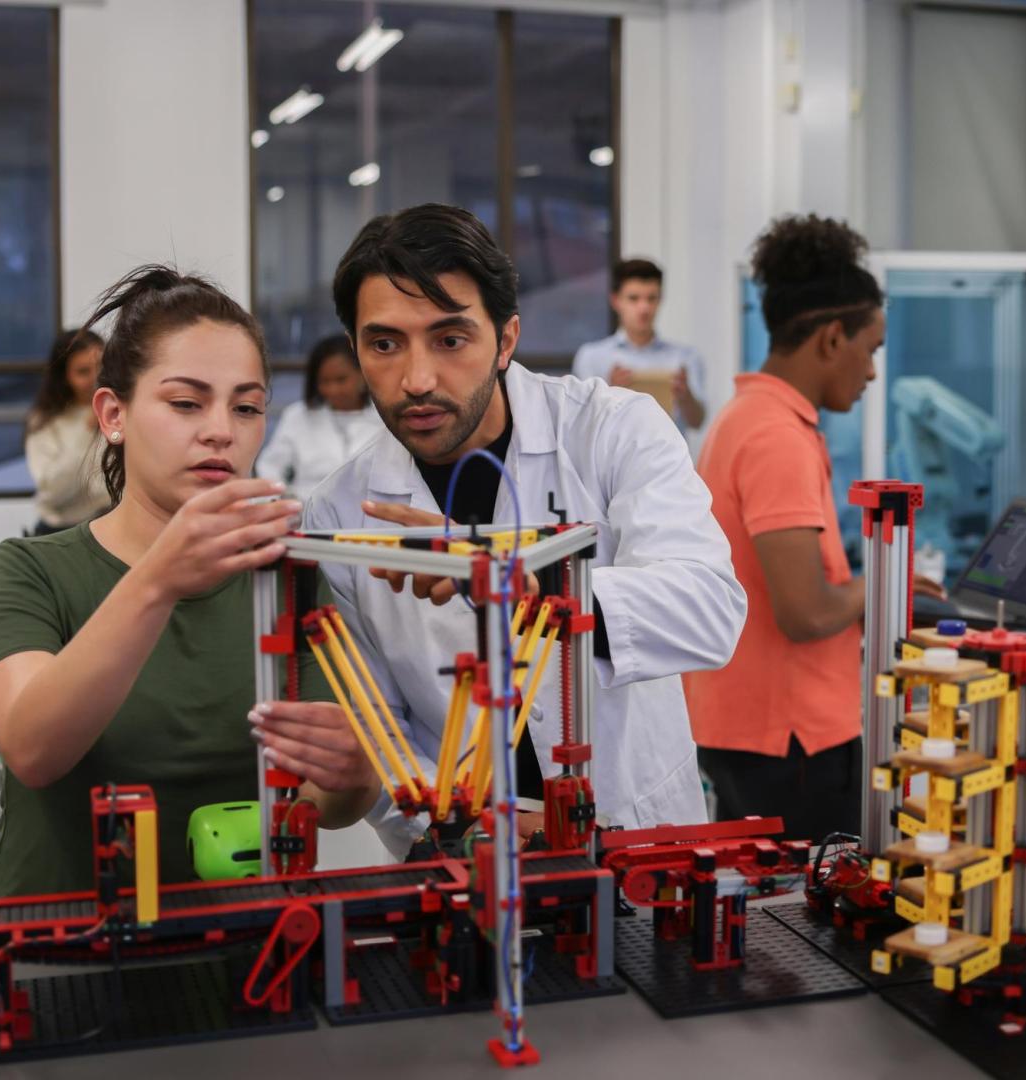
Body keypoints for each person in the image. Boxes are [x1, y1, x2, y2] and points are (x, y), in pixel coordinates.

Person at [297, 204, 747, 859]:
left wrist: (519, 580)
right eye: (384, 343)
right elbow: (381, 729)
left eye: (450, 339)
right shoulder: (340, 511)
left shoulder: (613, 430)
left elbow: (710, 609)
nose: (417, 379)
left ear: (505, 340)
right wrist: (446, 835)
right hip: (461, 867)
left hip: (642, 840)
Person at [0, 267, 375, 903]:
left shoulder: (288, 580)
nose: (221, 430)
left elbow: (330, 797)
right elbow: (33, 748)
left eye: (246, 408)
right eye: (186, 403)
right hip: (51, 960)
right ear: (113, 414)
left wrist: (353, 773)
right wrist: (157, 579)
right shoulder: (27, 572)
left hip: (243, 959)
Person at [682, 215, 945, 844]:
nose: (873, 371)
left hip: (748, 725)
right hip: (790, 740)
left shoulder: (746, 417)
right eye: (871, 349)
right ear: (832, 339)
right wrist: (891, 579)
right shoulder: (776, 437)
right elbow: (805, 611)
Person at [570, 259, 707, 432]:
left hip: (668, 457)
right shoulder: (591, 357)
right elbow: (579, 424)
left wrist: (685, 395)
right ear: (615, 300)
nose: (644, 308)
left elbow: (697, 422)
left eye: (651, 298)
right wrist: (609, 393)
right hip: (612, 458)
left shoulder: (685, 357)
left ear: (660, 300)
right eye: (633, 298)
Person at [256, 335, 384, 497]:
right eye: (325, 381)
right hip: (307, 516)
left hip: (374, 516)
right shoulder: (298, 416)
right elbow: (269, 467)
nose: (332, 389)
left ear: (362, 374)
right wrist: (285, 500)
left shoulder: (385, 418)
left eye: (341, 380)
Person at [25, 328, 111, 534]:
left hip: (112, 525)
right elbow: (53, 493)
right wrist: (87, 430)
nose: (96, 377)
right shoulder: (44, 421)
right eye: (83, 371)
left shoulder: (122, 411)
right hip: (61, 532)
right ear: (63, 376)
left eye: (102, 367)